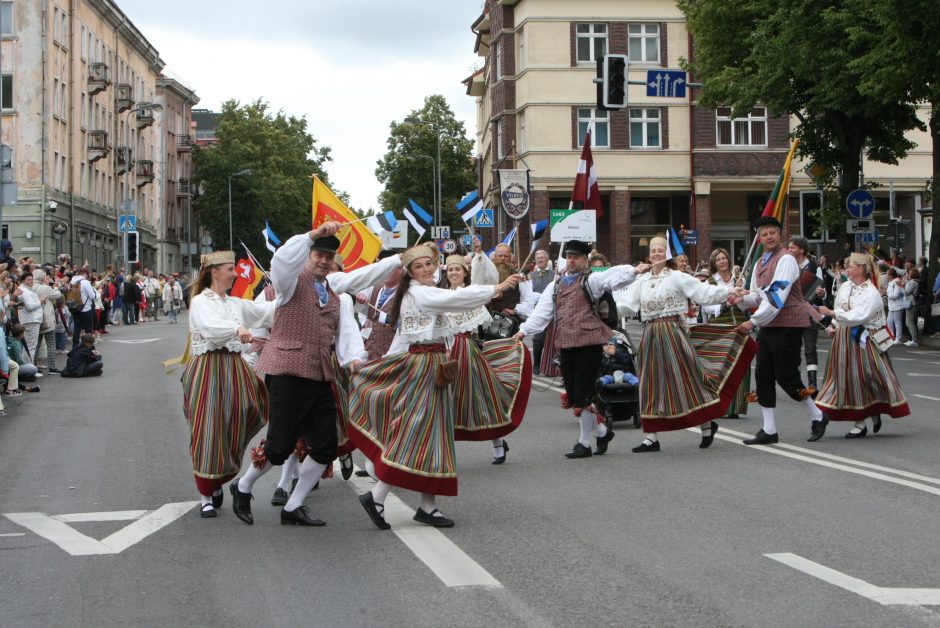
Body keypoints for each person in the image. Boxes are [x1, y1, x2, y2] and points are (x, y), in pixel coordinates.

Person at [346, 244, 524, 530]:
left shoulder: (414, 294)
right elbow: (456, 299)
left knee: (433, 434)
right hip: (426, 367)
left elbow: (405, 339)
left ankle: (427, 506)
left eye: (430, 264)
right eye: (420, 266)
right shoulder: (420, 292)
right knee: (417, 432)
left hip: (433, 364)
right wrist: (495, 288)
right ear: (411, 273)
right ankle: (377, 496)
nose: (428, 269)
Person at [230, 222, 395, 528]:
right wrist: (311, 235)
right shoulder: (290, 281)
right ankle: (243, 487)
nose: (323, 260)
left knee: (325, 444)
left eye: (328, 257)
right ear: (308, 255)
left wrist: (354, 360)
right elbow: (281, 261)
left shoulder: (334, 292)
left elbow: (347, 328)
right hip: (287, 371)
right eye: (318, 254)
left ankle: (294, 505)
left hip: (320, 374)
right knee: (280, 445)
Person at [619, 237, 756, 452]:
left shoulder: (677, 277)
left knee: (687, 379)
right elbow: (626, 305)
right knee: (650, 382)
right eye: (653, 251)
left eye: (660, 250)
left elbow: (702, 293)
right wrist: (602, 308)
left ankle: (706, 424)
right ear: (649, 255)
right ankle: (651, 437)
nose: (656, 254)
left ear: (667, 255)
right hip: (651, 333)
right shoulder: (642, 281)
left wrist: (729, 291)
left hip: (673, 331)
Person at [516, 240, 648, 459]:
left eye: (576, 257)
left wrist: (633, 270)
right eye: (569, 256)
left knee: (583, 397)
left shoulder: (591, 280)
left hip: (589, 344)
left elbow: (611, 277)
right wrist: (523, 330)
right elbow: (542, 313)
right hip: (566, 345)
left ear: (586, 261)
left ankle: (584, 443)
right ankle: (603, 432)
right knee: (575, 396)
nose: (572, 260)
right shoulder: (556, 285)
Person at [182, 250, 275, 519]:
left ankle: (218, 476)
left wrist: (295, 301)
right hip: (208, 368)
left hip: (234, 367)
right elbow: (210, 328)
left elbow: (265, 312)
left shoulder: (234, 302)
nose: (235, 274)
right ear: (214, 272)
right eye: (230, 269)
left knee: (245, 413)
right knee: (208, 426)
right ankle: (205, 494)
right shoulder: (200, 301)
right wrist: (236, 330)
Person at [732, 217, 827, 444]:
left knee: (787, 377)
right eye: (764, 234)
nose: (769, 237)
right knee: (762, 374)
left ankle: (819, 415)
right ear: (759, 238)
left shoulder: (787, 260)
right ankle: (769, 429)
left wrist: (752, 321)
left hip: (788, 325)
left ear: (780, 234)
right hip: (769, 325)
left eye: (772, 232)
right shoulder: (759, 263)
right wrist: (739, 299)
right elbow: (758, 294)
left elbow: (776, 296)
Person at [816, 253, 910, 437]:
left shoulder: (871, 292)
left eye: (851, 266)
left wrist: (833, 315)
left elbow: (860, 315)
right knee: (845, 379)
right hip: (844, 339)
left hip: (863, 340)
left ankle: (871, 411)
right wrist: (834, 326)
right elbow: (841, 307)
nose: (847, 269)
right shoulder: (845, 287)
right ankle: (860, 422)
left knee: (866, 377)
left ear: (861, 269)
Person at [787, 237, 826, 391]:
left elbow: (821, 290)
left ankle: (812, 383)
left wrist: (821, 293)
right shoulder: (787, 266)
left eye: (792, 248)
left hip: (809, 313)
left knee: (810, 348)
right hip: (792, 315)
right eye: (788, 248)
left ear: (801, 250)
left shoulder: (814, 266)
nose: (789, 250)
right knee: (793, 349)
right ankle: (796, 382)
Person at [528, 249, 555, 374]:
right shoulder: (530, 276)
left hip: (553, 312)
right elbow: (527, 294)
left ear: (547, 259)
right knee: (538, 339)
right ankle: (537, 364)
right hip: (538, 312)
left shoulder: (555, 275)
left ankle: (551, 367)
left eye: (542, 258)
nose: (540, 260)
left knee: (554, 341)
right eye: (538, 258)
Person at [69, 268, 97, 349]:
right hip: (86, 309)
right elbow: (92, 296)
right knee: (88, 330)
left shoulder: (71, 282)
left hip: (75, 309)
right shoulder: (85, 282)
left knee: (77, 330)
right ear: (85, 273)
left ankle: (75, 348)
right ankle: (88, 348)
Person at [901, 269, 920, 347]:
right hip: (911, 303)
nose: (908, 275)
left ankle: (914, 340)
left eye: (909, 274)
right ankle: (913, 339)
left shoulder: (913, 282)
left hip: (911, 303)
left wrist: (902, 286)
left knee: (909, 322)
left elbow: (907, 292)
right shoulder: (913, 282)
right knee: (911, 322)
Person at [885, 267, 905, 340]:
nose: (886, 276)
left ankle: (898, 338)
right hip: (891, 306)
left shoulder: (896, 282)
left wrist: (887, 294)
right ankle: (891, 337)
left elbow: (896, 295)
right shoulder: (890, 283)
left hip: (897, 306)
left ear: (890, 275)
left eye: (887, 274)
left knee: (897, 323)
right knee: (889, 321)